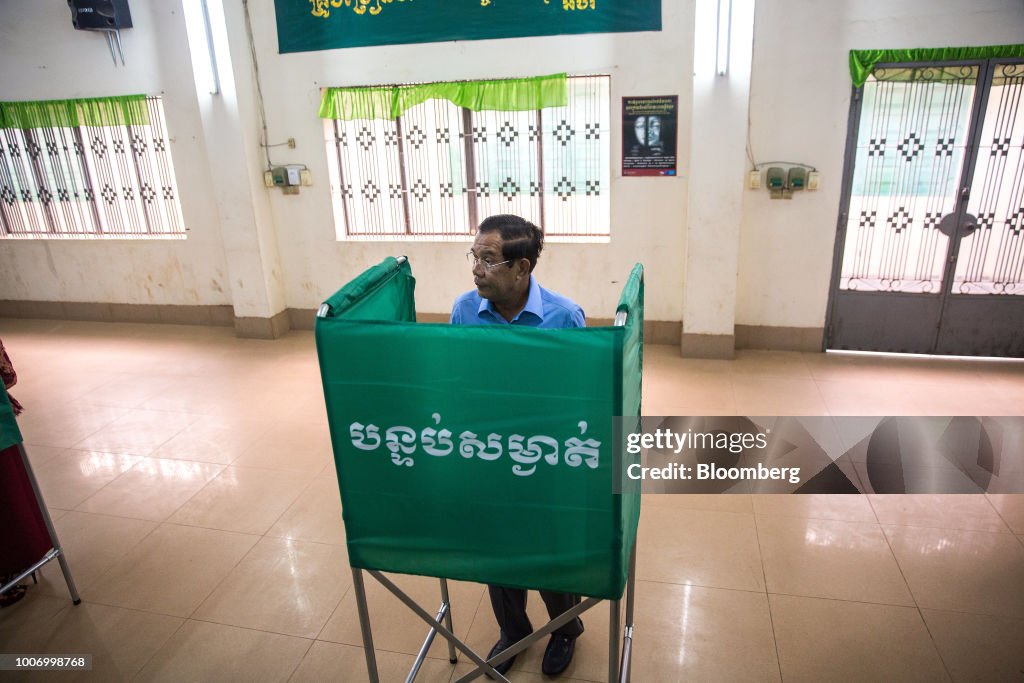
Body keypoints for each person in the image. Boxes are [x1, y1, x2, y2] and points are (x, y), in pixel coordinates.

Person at [449, 214, 585, 677]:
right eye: (475, 257)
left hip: (543, 459)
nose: (476, 269)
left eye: (488, 259)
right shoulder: (464, 311)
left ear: (522, 267)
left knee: (547, 547)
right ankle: (513, 631)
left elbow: (580, 396)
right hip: (487, 455)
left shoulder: (564, 317)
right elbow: (458, 381)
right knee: (498, 547)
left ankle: (565, 628)